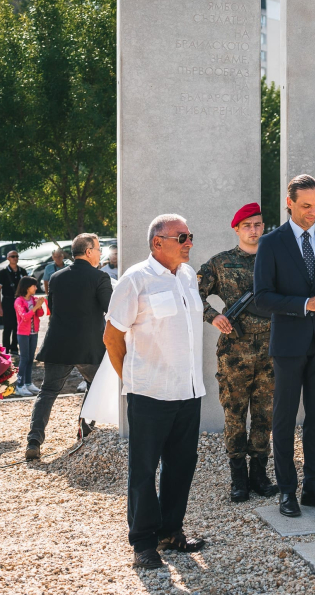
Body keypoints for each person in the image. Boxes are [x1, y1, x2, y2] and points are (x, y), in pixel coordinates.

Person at [103, 214, 207, 569]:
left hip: (189, 391)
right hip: (149, 394)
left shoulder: (189, 277)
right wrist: (133, 381)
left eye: (190, 235)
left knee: (181, 466)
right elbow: (112, 338)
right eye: (182, 237)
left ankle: (170, 531)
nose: (189, 241)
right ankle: (143, 543)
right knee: (144, 471)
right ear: (156, 243)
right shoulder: (135, 280)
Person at [254, 175, 315, 517]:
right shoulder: (271, 243)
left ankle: (313, 487)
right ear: (290, 203)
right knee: (283, 419)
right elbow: (263, 296)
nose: (313, 212)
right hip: (288, 344)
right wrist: (305, 303)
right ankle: (286, 491)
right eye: (306, 206)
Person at [198, 203, 278, 503]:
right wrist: (213, 316)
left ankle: (259, 475)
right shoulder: (221, 263)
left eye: (258, 224)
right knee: (234, 415)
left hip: (271, 350)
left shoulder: (274, 261)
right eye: (247, 225)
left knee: (263, 416)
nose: (254, 230)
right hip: (235, 354)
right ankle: (238, 479)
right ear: (237, 229)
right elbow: (193, 292)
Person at [25, 234, 112, 460]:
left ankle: (34, 441)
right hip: (88, 346)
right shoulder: (100, 277)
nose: (101, 253)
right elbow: (111, 309)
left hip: (58, 344)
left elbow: (53, 307)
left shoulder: (55, 277)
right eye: (99, 248)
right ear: (89, 251)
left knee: (47, 392)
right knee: (97, 385)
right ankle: (85, 429)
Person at [12, 277, 45, 397]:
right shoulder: (19, 301)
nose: (36, 288)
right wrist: (36, 307)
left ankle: (28, 382)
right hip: (23, 333)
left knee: (31, 358)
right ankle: (19, 386)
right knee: (24, 358)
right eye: (34, 286)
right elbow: (24, 317)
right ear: (27, 287)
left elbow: (40, 314)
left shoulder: (33, 299)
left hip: (34, 332)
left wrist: (39, 306)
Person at [0, 250, 28, 355]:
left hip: (19, 301)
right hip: (8, 301)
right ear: (8, 258)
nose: (15, 258)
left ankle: (14, 347)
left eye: (16, 256)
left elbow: (27, 287)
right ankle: (5, 349)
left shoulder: (22, 271)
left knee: (18, 325)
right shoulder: (3, 272)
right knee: (7, 326)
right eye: (13, 256)